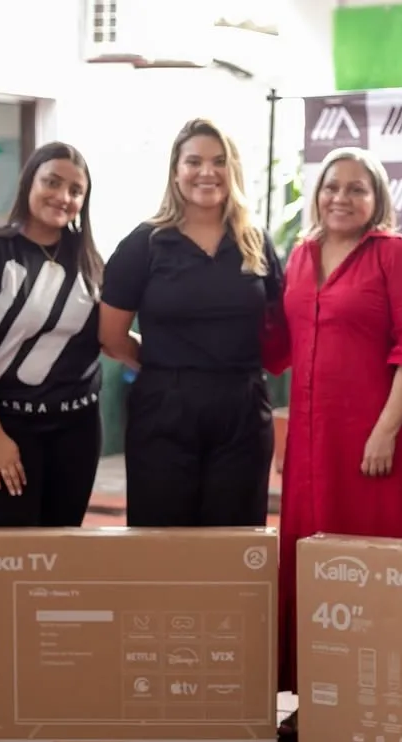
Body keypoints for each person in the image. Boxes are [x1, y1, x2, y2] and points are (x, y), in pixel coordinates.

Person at [264, 147, 402, 739]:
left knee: (369, 568)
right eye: (331, 186)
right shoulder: (299, 256)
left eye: (356, 189)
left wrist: (386, 430)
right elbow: (276, 344)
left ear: (378, 199)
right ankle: (316, 700)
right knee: (308, 565)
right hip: (311, 444)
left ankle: (378, 701)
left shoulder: (395, 255)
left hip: (373, 443)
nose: (341, 197)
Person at [99, 118, 281, 527]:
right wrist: (166, 366)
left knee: (238, 540)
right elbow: (110, 336)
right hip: (165, 407)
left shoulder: (255, 241)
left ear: (232, 169)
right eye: (194, 161)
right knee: (163, 541)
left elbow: (280, 323)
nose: (207, 172)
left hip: (243, 408)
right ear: (176, 171)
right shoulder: (143, 244)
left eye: (219, 161)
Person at [0, 142, 105, 526]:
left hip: (78, 428)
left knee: (63, 549)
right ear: (29, 182)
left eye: (75, 190)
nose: (62, 196)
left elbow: (111, 338)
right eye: (52, 182)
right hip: (7, 425)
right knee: (10, 555)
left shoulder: (91, 260)